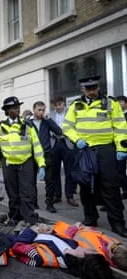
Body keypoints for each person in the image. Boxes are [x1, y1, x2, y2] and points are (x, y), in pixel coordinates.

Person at [62, 75, 127, 237]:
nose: (91, 92)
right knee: (85, 186)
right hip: (85, 151)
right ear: (82, 89)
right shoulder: (76, 106)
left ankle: (117, 223)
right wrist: (77, 140)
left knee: (111, 187)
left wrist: (121, 148)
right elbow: (67, 127)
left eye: (94, 89)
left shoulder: (110, 104)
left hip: (106, 150)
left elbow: (120, 126)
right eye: (88, 89)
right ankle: (90, 217)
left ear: (98, 87)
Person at [0, 96, 46, 225]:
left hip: (26, 163)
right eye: (14, 108)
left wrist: (41, 164)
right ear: (7, 110)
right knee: (13, 194)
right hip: (9, 164)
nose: (17, 110)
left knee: (27, 193)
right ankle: (15, 218)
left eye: (18, 107)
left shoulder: (27, 126)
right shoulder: (0, 128)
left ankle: (29, 219)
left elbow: (36, 146)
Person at [11, 223, 112, 279]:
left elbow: (18, 246)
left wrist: (33, 231)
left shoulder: (43, 258)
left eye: (93, 252)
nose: (92, 249)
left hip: (16, 235)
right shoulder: (74, 247)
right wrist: (74, 227)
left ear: (82, 255)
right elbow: (64, 237)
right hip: (39, 229)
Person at [29, 101, 64, 213]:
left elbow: (59, 132)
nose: (41, 112)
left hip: (46, 153)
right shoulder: (27, 122)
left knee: (50, 180)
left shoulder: (47, 121)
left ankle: (49, 203)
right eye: (39, 110)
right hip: (32, 155)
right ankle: (34, 203)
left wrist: (49, 119)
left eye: (43, 110)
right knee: (31, 180)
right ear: (34, 110)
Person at [53, 220, 127, 271]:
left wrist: (75, 227)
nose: (114, 244)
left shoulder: (93, 251)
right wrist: (88, 228)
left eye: (113, 248)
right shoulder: (114, 247)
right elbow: (97, 234)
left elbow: (67, 240)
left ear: (111, 256)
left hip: (61, 232)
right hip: (79, 229)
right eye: (118, 244)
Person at [49, 96, 78, 207]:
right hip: (55, 143)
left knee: (69, 171)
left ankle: (70, 196)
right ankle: (57, 195)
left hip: (68, 143)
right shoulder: (50, 115)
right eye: (55, 105)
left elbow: (75, 127)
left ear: (64, 104)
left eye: (59, 104)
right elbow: (47, 128)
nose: (57, 107)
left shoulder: (70, 113)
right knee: (55, 171)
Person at [115, 95, 127, 199]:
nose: (119, 104)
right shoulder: (116, 116)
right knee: (120, 171)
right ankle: (125, 190)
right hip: (120, 148)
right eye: (117, 102)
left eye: (121, 102)